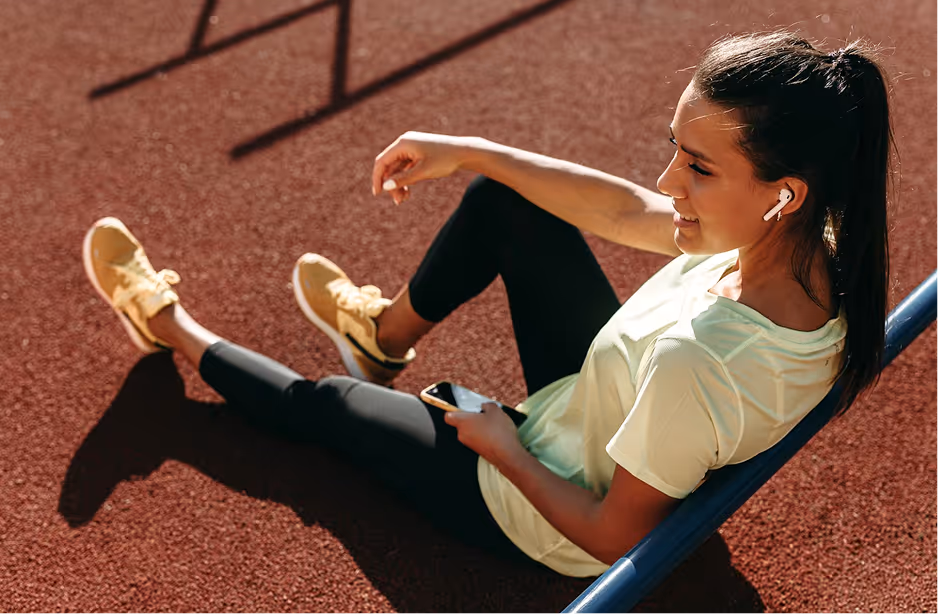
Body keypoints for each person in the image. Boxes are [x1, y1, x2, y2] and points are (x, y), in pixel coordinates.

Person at [82, 30, 894, 577]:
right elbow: (620, 211)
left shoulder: (702, 360)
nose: (665, 184)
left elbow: (616, 539)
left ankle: (162, 320)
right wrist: (470, 150)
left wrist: (501, 443)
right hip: (606, 404)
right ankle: (379, 335)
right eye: (672, 152)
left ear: (782, 193)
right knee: (510, 202)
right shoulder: (810, 246)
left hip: (541, 500)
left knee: (326, 407)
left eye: (698, 169)